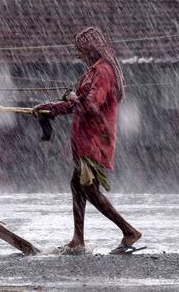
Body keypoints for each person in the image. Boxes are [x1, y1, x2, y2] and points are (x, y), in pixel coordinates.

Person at [33, 27, 142, 255]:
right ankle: (78, 239)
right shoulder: (91, 72)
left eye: (81, 50)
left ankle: (128, 231)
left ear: (91, 49)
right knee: (77, 186)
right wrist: (48, 108)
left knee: (90, 190)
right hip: (85, 141)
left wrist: (71, 96)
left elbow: (90, 105)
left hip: (95, 141)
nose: (79, 54)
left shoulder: (103, 71)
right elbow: (76, 104)